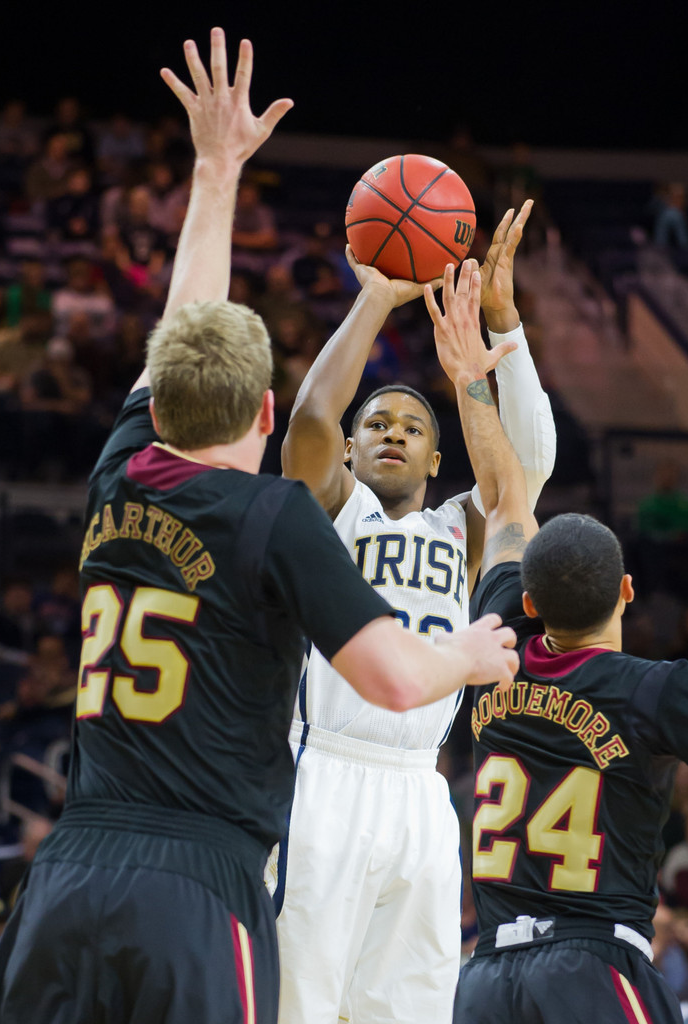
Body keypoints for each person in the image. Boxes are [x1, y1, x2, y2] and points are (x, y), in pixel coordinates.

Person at [0, 30, 519, 1024]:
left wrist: (214, 166)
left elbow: (184, 322)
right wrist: (476, 655)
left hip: (71, 865)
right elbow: (397, 675)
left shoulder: (117, 473)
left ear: (159, 399)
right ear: (267, 416)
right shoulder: (274, 514)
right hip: (199, 879)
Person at [421, 251, 688, 1024]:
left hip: (486, 979)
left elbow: (503, 508)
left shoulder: (496, 638)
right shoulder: (655, 690)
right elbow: (510, 506)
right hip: (593, 969)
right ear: (627, 590)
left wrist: (470, 379)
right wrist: (489, 347)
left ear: (529, 600)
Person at [271, 200, 555, 1024]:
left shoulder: (454, 526)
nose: (391, 433)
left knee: (410, 1010)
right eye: (376, 425)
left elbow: (520, 482)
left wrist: (491, 351)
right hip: (321, 769)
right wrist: (375, 299)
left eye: (412, 427)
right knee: (298, 1002)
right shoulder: (333, 509)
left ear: (437, 456)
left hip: (422, 793)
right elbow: (309, 421)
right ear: (354, 451)